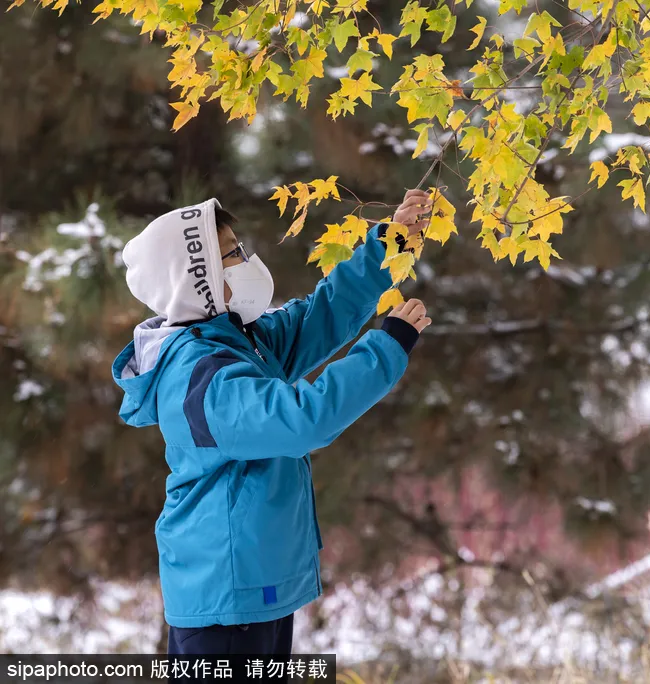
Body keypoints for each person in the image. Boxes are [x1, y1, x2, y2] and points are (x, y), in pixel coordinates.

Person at [111, 190, 435, 656]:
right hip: (227, 602)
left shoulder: (235, 341)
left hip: (250, 590)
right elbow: (304, 419)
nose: (246, 259)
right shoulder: (201, 377)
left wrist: (390, 244)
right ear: (197, 277)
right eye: (232, 253)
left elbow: (319, 317)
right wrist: (386, 349)